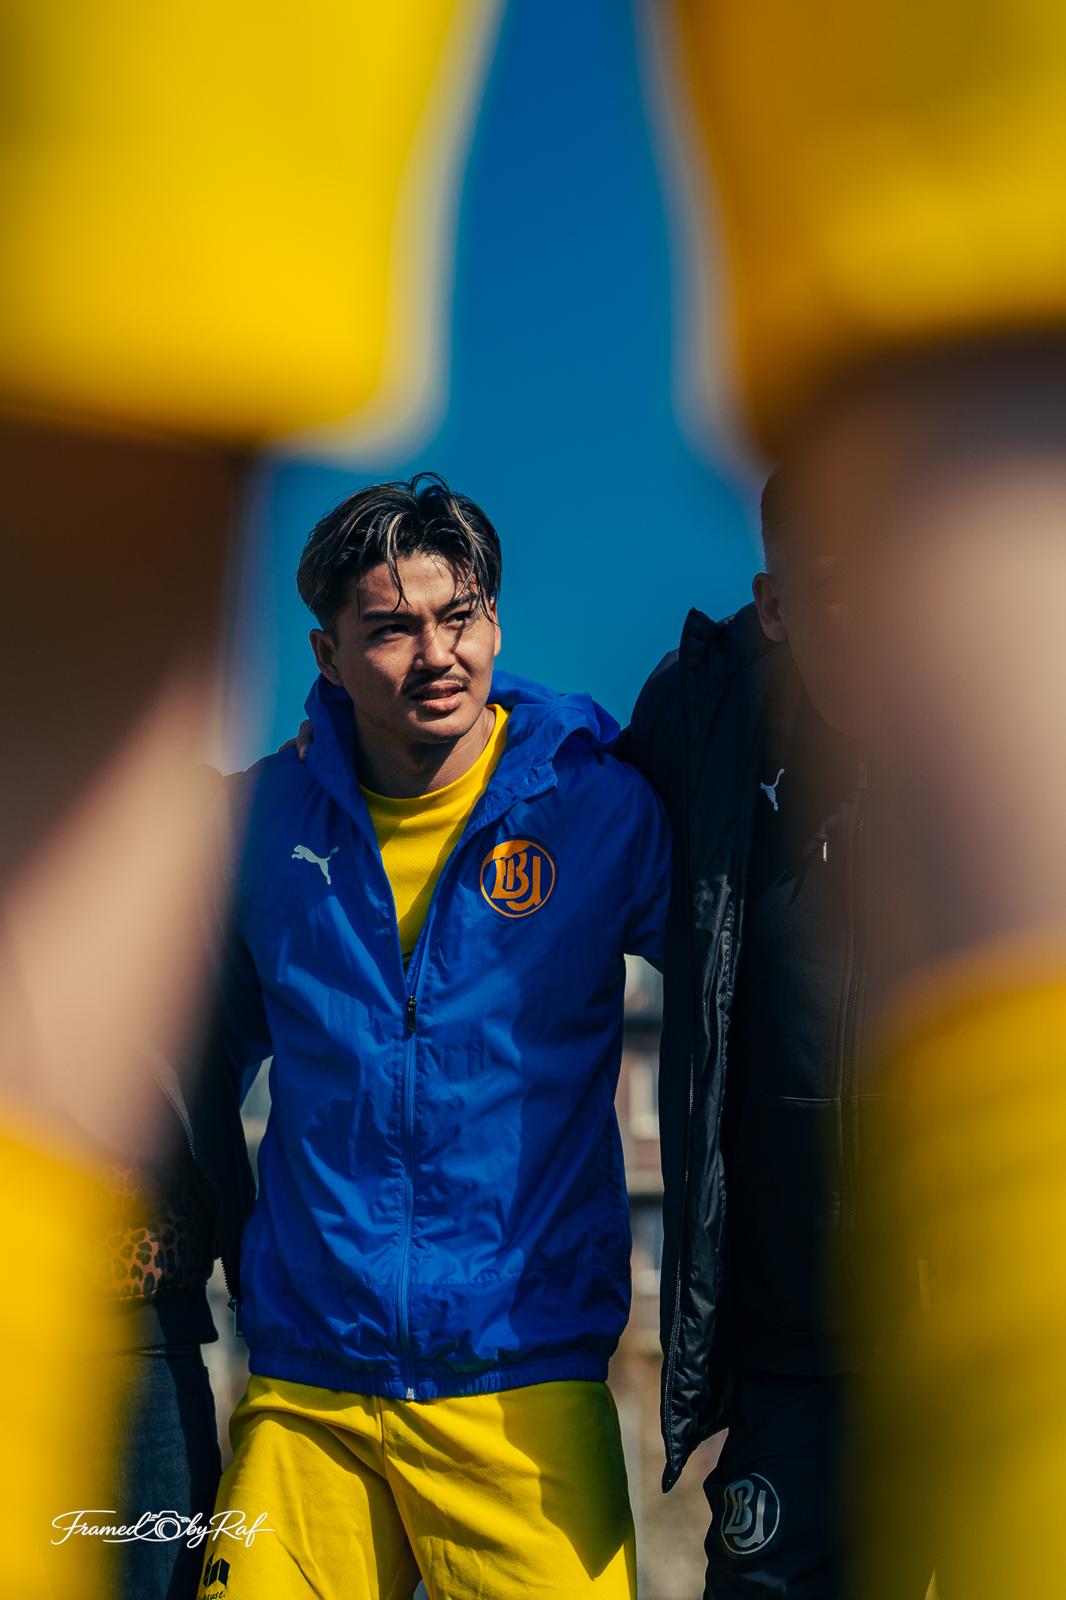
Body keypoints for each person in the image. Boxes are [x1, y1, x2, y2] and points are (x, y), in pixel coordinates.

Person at [197, 473, 670, 1600]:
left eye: (459, 617)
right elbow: (185, 1065)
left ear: (495, 622)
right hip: (308, 1388)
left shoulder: (600, 809)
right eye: (391, 630)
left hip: (524, 1381)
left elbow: (747, 982)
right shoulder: (256, 826)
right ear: (327, 654)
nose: (436, 655)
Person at [615, 471, 935, 1599]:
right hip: (792, 1366)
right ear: (776, 604)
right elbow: (550, 801)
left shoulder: (1008, 717)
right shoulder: (706, 724)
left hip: (984, 1352)